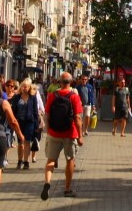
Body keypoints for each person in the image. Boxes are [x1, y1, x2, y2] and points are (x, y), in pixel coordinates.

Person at [40, 72, 84, 200]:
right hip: (70, 133)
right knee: (70, 160)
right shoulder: (74, 97)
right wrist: (80, 136)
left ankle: (47, 182)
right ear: (71, 82)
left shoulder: (53, 95)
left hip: (54, 133)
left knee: (51, 160)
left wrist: (48, 131)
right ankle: (67, 189)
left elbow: (47, 115)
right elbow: (77, 117)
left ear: (60, 82)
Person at [10, 79, 41, 169]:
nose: (24, 88)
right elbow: (13, 110)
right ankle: (19, 160)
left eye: (26, 86)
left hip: (29, 122)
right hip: (19, 122)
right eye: (23, 86)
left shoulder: (32, 97)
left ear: (29, 87)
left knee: (27, 141)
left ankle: (26, 161)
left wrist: (36, 126)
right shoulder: (17, 97)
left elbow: (35, 112)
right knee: (20, 142)